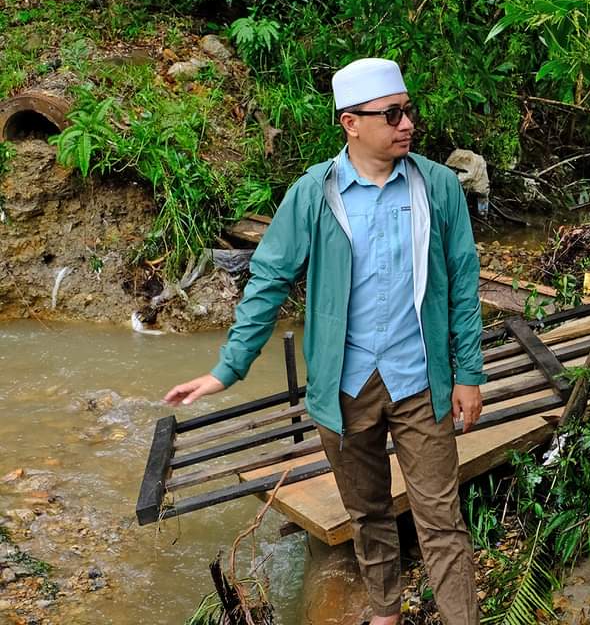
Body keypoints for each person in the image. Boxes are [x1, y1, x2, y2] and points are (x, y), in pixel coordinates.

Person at [164, 58, 485, 625]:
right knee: (367, 513)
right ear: (351, 123)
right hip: (344, 387)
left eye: (408, 109)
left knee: (441, 519)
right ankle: (385, 612)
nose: (406, 122)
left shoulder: (436, 186)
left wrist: (468, 373)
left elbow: (462, 281)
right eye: (392, 114)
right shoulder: (315, 194)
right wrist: (227, 368)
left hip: (420, 380)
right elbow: (268, 279)